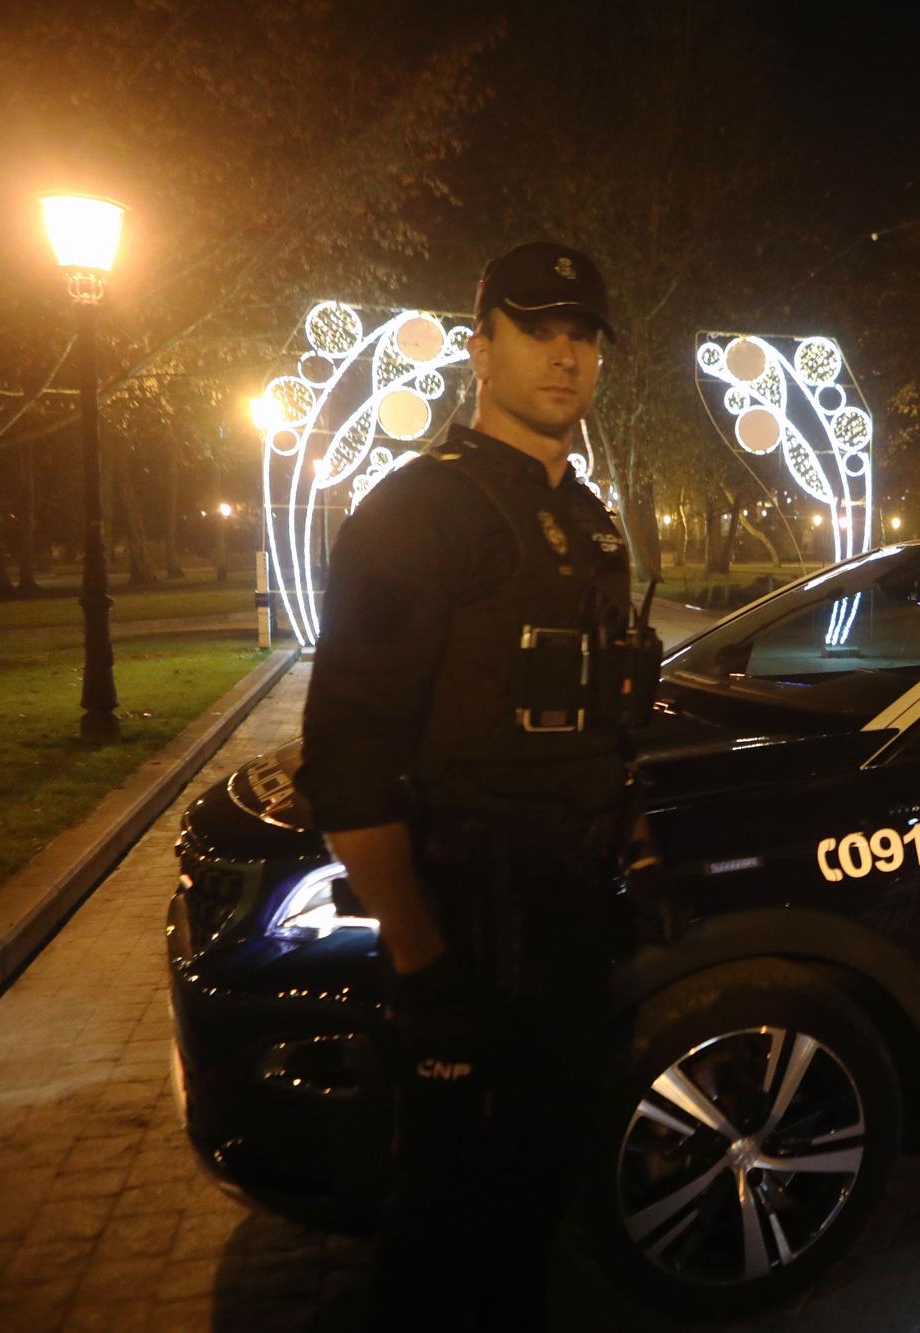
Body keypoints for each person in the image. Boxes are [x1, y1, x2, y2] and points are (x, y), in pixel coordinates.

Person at [296, 241, 653, 1330]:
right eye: (536, 327)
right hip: (464, 926)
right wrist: (421, 955)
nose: (564, 353)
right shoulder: (417, 513)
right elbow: (350, 754)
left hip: (568, 926)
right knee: (443, 1222)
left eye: (582, 333)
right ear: (477, 345)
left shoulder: (587, 518)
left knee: (535, 1197)